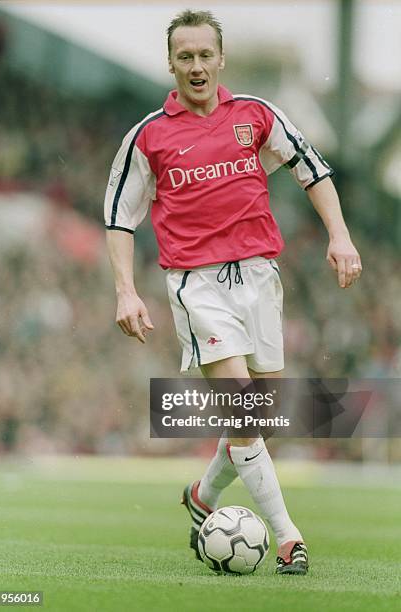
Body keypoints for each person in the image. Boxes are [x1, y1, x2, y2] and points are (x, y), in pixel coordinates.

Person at [104, 9, 362, 575]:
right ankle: (290, 537)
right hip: (198, 286)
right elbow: (119, 217)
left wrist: (339, 237)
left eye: (204, 55)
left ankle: (202, 495)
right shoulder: (148, 136)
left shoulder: (255, 116)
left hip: (261, 278)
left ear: (221, 59)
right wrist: (126, 290)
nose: (196, 67)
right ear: (170, 63)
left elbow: (312, 169)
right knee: (244, 409)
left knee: (258, 415)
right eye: (184, 56)